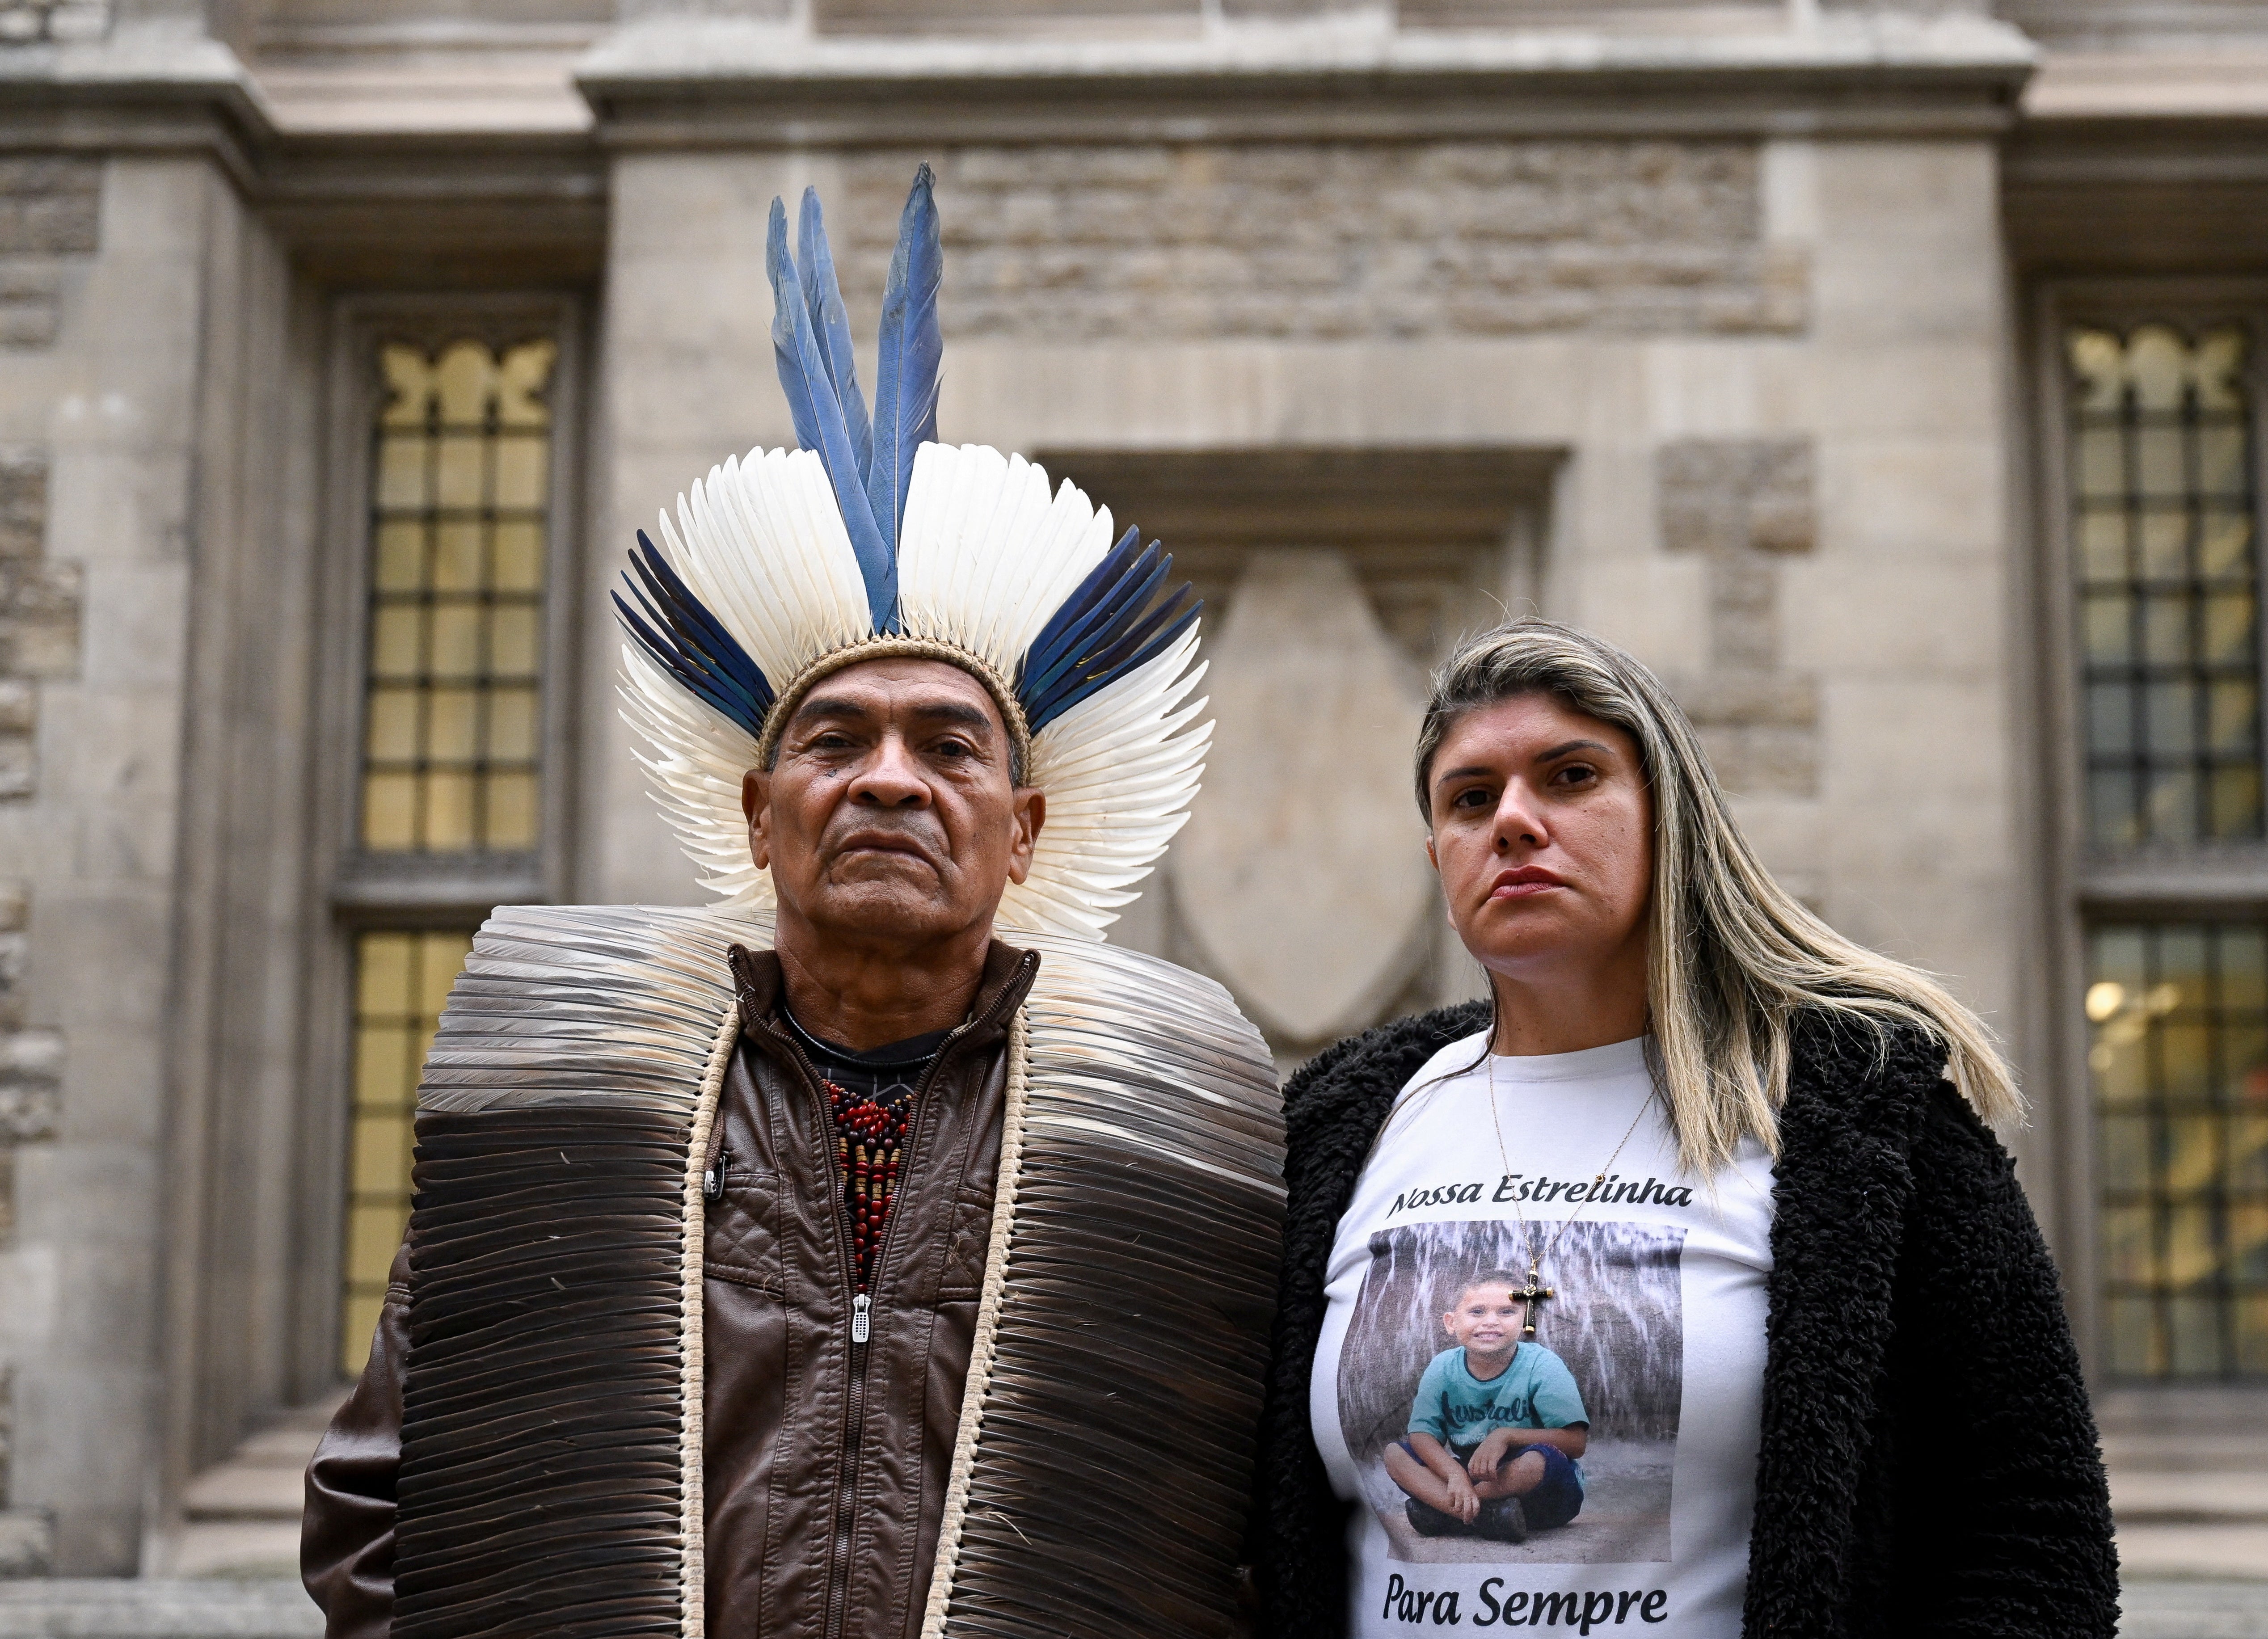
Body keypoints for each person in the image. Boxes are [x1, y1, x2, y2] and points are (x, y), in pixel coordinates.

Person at [302, 169, 1282, 1639]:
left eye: (948, 746)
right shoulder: (571, 1093)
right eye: (837, 740)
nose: (890, 778)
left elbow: (1232, 1549)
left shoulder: (1169, 1133)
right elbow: (381, 1513)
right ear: (760, 813)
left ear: (1022, 830)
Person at [1254, 619, 2118, 1639]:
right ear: (1439, 859)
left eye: (1570, 776)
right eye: (1470, 798)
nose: (1514, 820)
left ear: (1670, 821)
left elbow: (2031, 1520)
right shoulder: (1343, 1129)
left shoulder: (1860, 1114)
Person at [1384, 1274, 1588, 1544]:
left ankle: (1447, 1511)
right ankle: (1488, 1517)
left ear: (1525, 1321)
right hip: (1473, 1477)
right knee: (1395, 1455)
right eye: (1477, 1312)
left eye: (1506, 1312)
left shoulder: (1543, 1364)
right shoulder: (1442, 1367)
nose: (1491, 1321)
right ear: (1452, 1323)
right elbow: (1422, 1435)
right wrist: (1455, 1474)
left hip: (1543, 1493)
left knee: (1538, 1460)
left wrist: (1506, 1436)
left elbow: (1576, 1442)